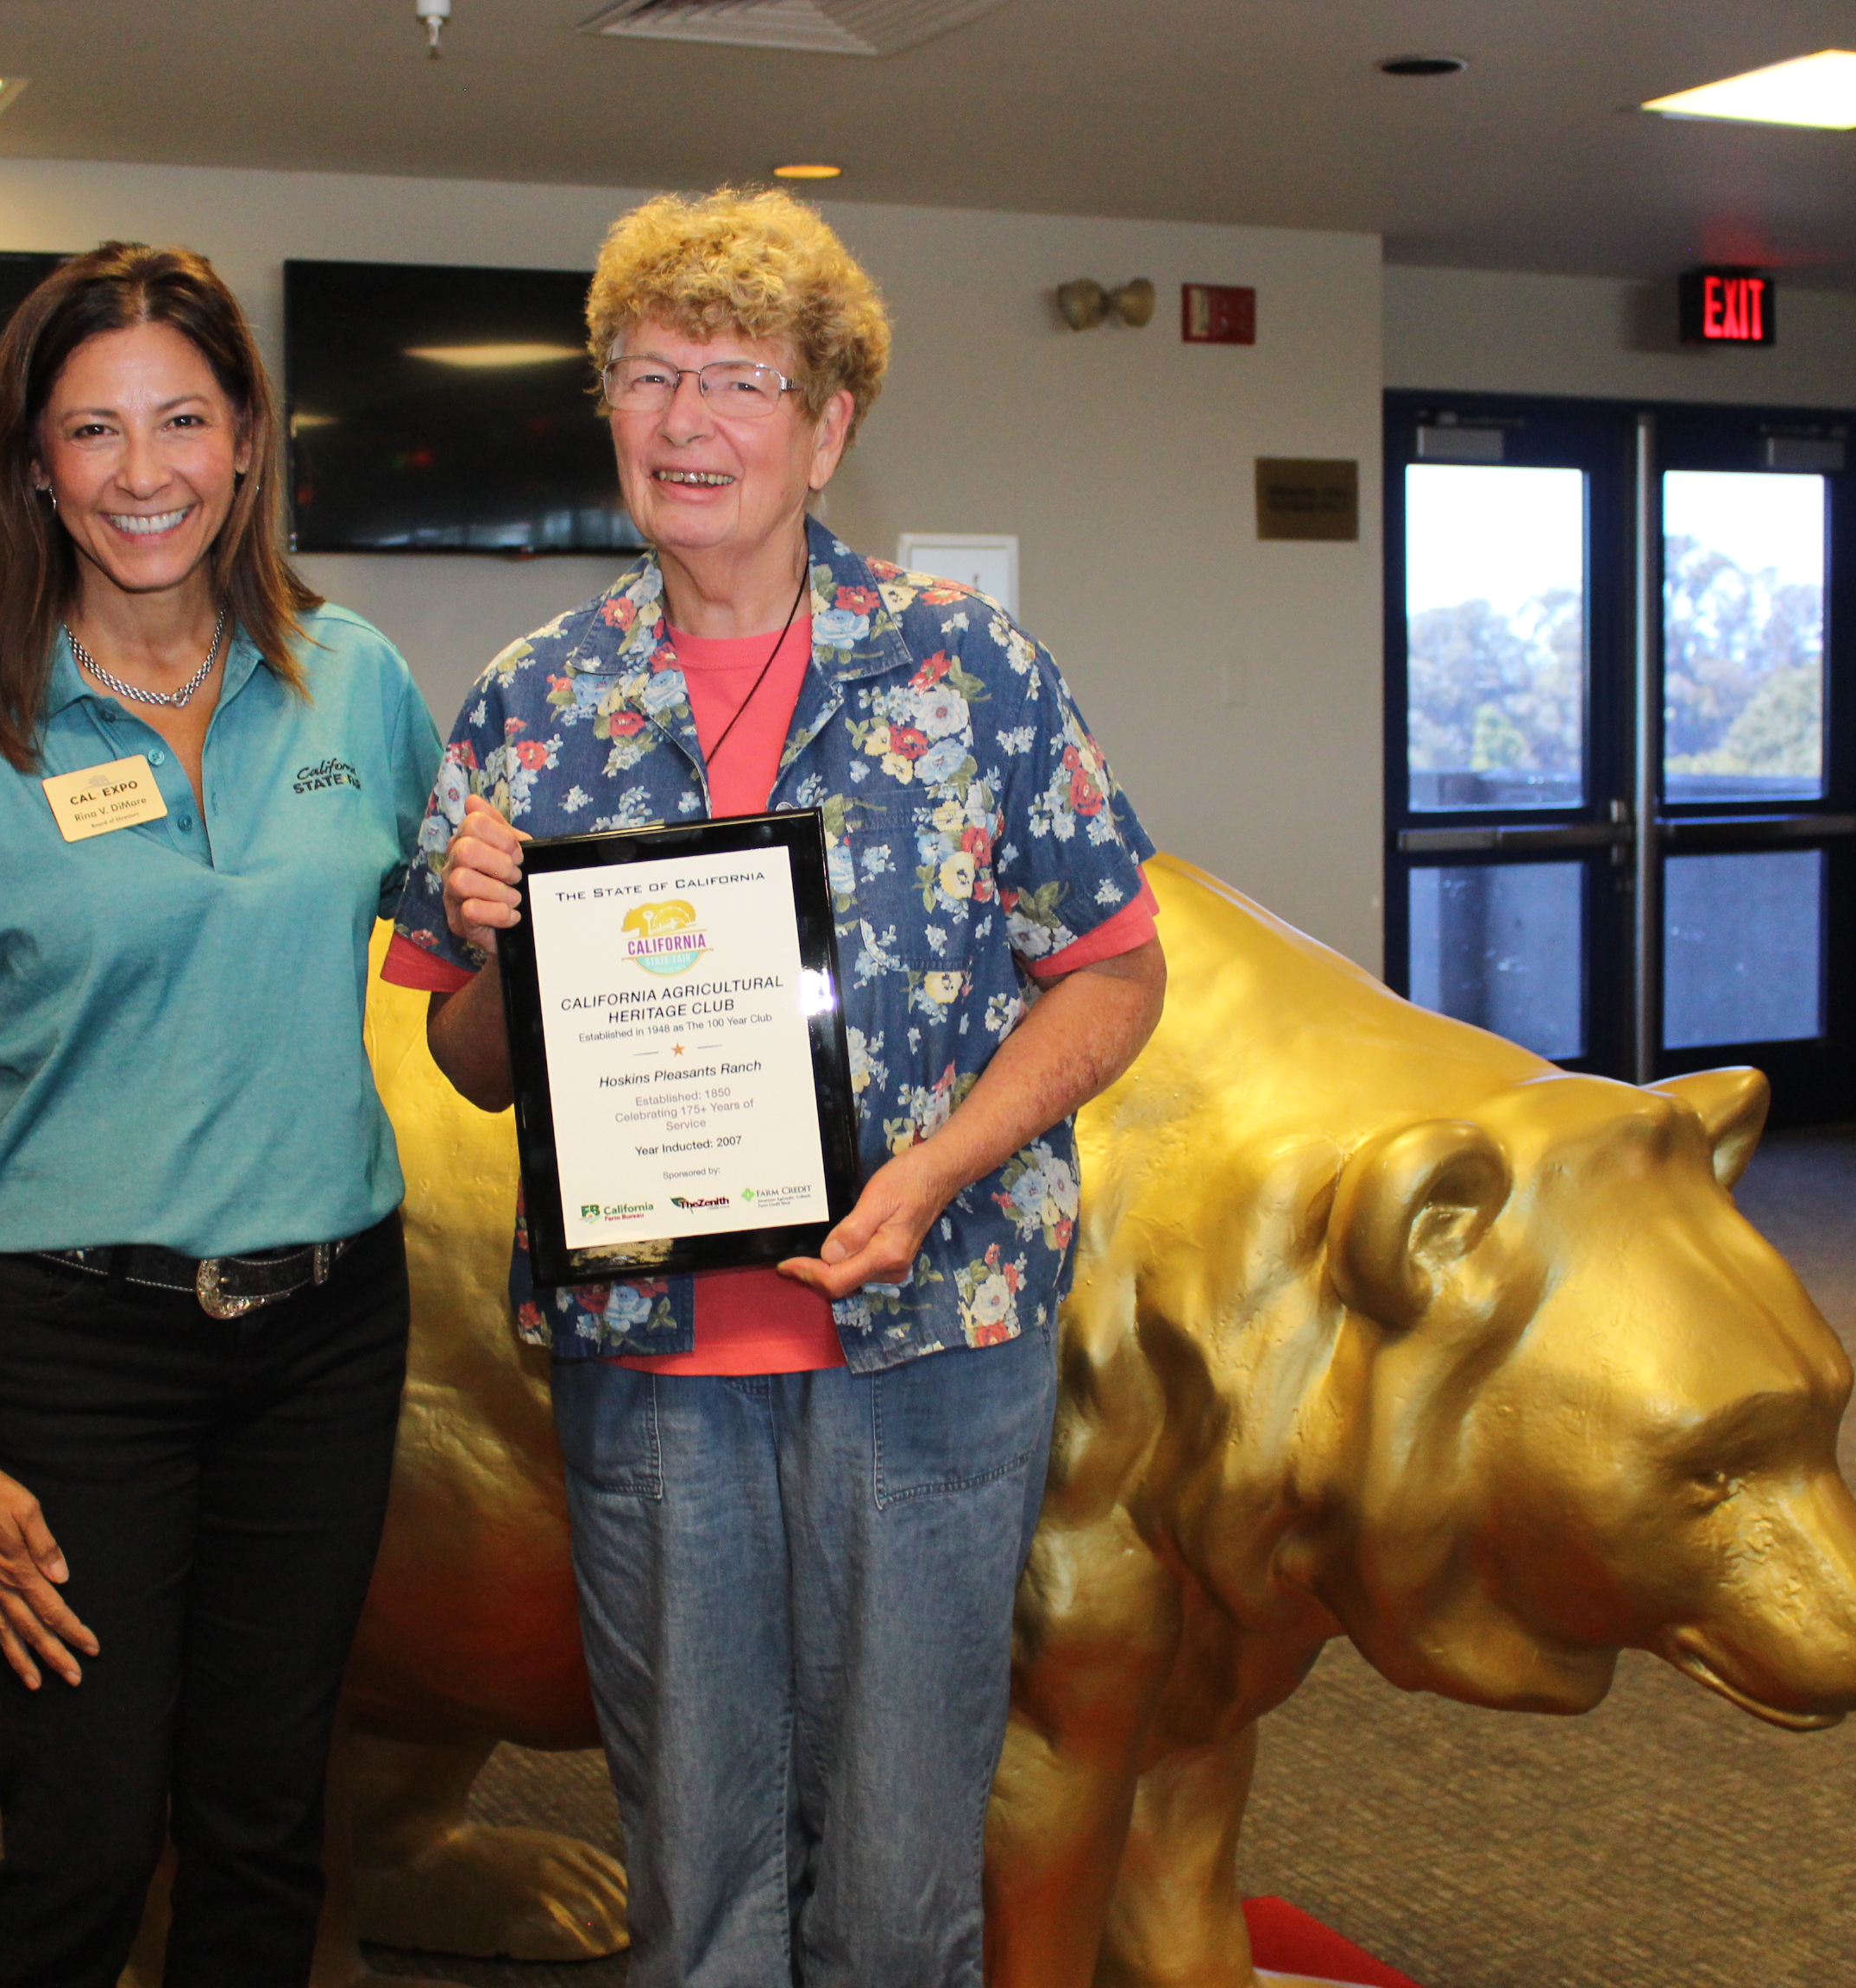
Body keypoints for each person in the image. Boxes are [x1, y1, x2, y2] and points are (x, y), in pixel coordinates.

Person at [383, 188, 1167, 1988]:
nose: (683, 423)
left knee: (901, 1889)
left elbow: (1116, 971)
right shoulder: (534, 703)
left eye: (736, 379)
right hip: (656, 1367)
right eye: (645, 377)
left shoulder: (972, 676)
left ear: (829, 429)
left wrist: (942, 1166)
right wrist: (498, 942)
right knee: (697, 1874)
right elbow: (465, 1055)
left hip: (933, 1346)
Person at [0, 242, 437, 1988]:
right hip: (72, 1342)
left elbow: (456, 1000)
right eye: (93, 431)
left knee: (266, 1826)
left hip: (326, 1332)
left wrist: (521, 915)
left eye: (183, 419)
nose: (143, 471)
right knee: (86, 1841)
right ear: (33, 464)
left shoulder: (361, 683)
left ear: (250, 441)